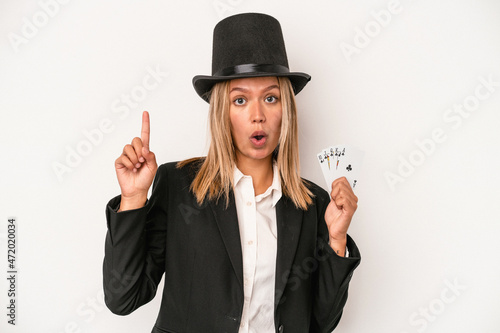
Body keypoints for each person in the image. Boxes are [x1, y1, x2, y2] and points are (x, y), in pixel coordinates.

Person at [103, 12, 361, 333]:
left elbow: (321, 323)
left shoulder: (313, 204)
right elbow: (122, 298)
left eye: (270, 98)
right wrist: (133, 199)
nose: (257, 116)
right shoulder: (179, 186)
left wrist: (336, 239)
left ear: (286, 110)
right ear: (222, 112)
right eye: (240, 100)